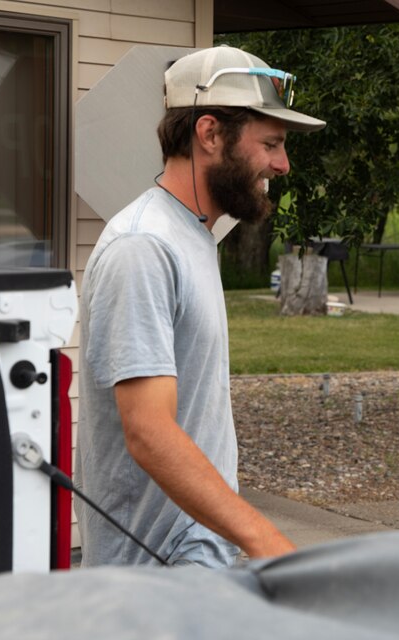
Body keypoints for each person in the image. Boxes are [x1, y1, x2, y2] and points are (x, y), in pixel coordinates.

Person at [74, 45, 325, 567]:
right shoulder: (144, 247)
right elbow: (148, 430)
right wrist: (262, 536)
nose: (282, 164)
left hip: (192, 550)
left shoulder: (193, 235)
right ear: (209, 134)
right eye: (271, 144)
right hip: (154, 571)